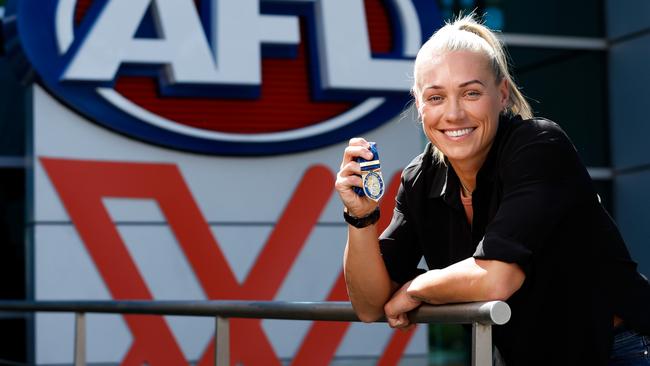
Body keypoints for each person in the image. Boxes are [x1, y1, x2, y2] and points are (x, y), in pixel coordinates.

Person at [335, 14, 650, 366]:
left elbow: (497, 278)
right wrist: (360, 217)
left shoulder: (538, 146)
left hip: (622, 349)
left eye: (471, 93)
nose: (453, 114)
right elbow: (368, 306)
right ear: (419, 103)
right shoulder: (420, 180)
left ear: (501, 94)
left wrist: (414, 289)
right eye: (436, 97)